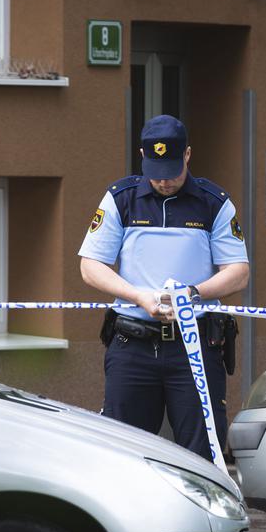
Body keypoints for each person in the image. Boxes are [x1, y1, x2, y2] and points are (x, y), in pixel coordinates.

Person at [78, 115, 249, 460]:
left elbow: (239, 272)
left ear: (187, 155)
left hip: (195, 345)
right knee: (124, 451)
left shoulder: (213, 202)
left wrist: (193, 294)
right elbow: (90, 267)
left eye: (172, 170)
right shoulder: (120, 199)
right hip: (132, 344)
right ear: (142, 155)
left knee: (202, 451)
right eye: (155, 171)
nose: (164, 180)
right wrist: (138, 296)